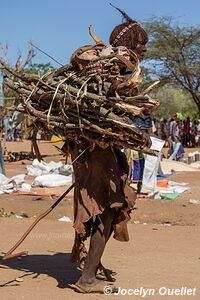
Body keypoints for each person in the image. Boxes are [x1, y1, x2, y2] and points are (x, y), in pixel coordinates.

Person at [65, 6, 149, 293]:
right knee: (110, 207)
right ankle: (86, 278)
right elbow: (110, 112)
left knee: (100, 208)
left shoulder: (100, 65)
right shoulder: (121, 64)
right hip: (98, 152)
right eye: (141, 43)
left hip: (89, 151)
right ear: (129, 42)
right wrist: (137, 128)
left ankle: (92, 266)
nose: (143, 49)